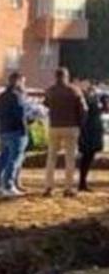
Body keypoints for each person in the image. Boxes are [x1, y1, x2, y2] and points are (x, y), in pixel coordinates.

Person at [43, 67, 87, 197]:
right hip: (71, 126)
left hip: (54, 126)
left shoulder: (50, 91)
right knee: (70, 159)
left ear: (55, 77)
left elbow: (45, 104)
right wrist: (80, 124)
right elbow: (83, 109)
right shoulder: (74, 90)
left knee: (51, 157)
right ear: (66, 76)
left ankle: (48, 187)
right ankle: (68, 188)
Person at [0, 72, 28, 197]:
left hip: (4, 130)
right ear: (18, 82)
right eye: (23, 81)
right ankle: (8, 185)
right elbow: (21, 115)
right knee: (14, 159)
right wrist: (26, 127)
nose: (24, 84)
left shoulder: (1, 96)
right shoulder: (17, 96)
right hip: (16, 131)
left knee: (2, 158)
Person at [78, 92, 108, 192]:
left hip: (89, 133)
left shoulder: (92, 104)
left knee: (87, 158)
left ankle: (82, 182)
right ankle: (82, 182)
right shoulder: (92, 105)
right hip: (90, 134)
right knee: (87, 158)